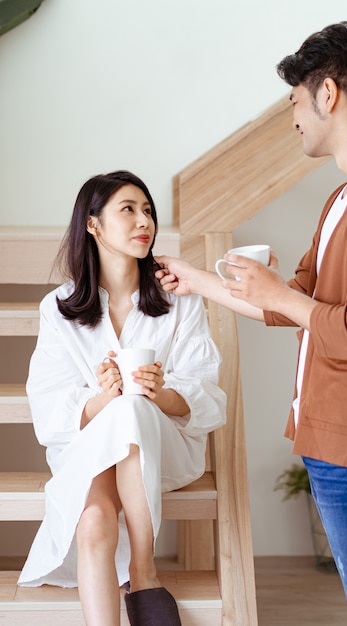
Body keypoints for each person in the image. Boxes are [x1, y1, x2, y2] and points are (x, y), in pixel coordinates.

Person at [155, 21, 347, 626]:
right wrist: (199, 281)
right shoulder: (345, 197)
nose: (294, 119)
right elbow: (296, 304)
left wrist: (283, 298)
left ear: (329, 94)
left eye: (295, 103)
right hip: (333, 433)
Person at [18, 170, 226, 626]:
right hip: (90, 445)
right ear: (93, 225)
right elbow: (49, 407)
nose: (143, 221)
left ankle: (143, 570)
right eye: (128, 210)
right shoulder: (59, 308)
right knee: (93, 519)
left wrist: (160, 394)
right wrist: (100, 399)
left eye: (147, 210)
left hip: (164, 447)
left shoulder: (179, 300)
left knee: (133, 406)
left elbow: (210, 395)